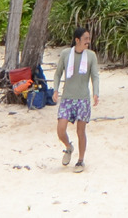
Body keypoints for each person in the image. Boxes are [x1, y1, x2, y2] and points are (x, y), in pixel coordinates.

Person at [55, 26, 100, 173]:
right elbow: (58, 74)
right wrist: (55, 90)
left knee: (81, 131)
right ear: (77, 40)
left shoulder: (91, 56)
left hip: (83, 99)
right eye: (85, 38)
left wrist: (96, 93)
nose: (88, 41)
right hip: (67, 98)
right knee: (60, 130)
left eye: (89, 38)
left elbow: (95, 76)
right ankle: (68, 147)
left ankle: (80, 160)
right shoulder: (66, 54)